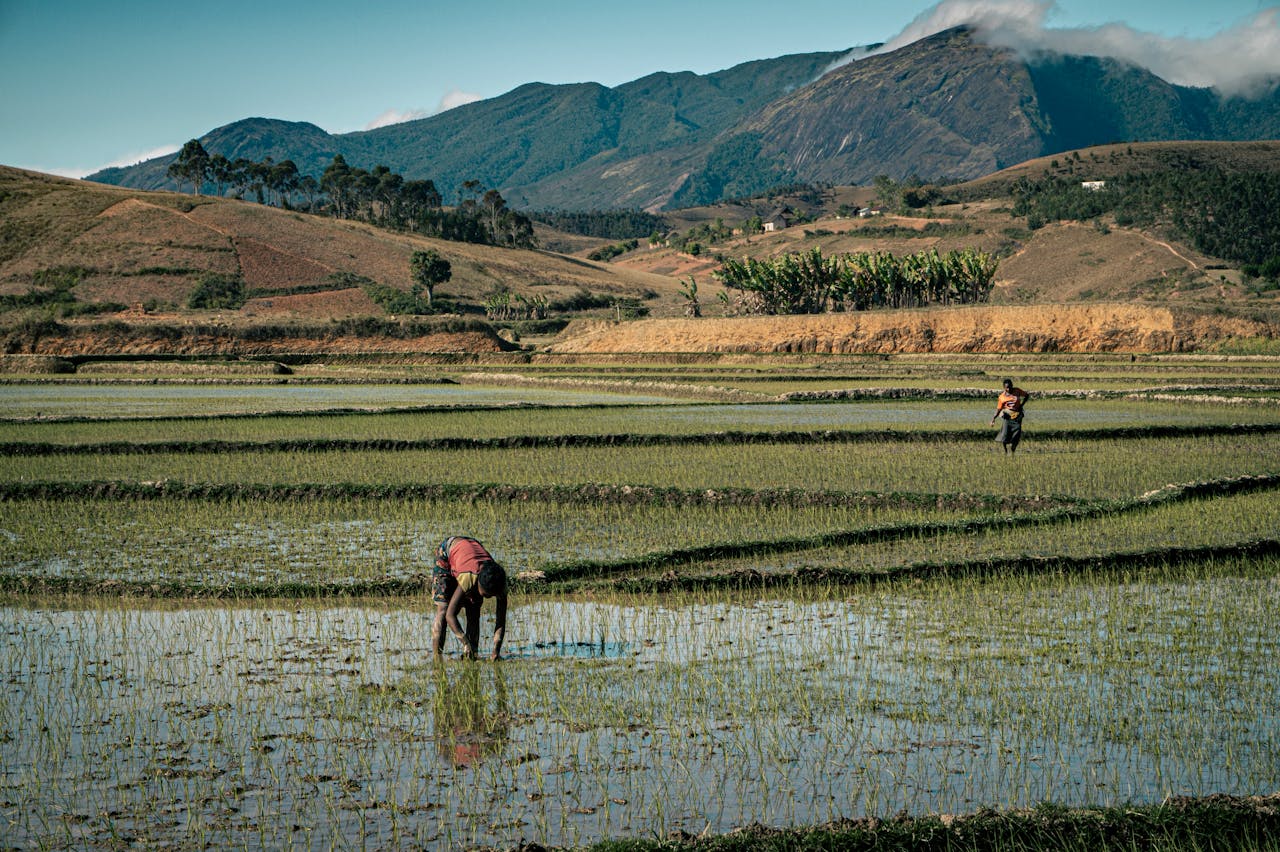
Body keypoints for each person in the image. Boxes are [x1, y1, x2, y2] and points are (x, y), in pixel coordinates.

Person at [431, 535, 508, 660]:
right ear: (477, 582)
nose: (488, 598)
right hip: (448, 551)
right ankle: (437, 658)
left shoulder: (500, 583)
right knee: (443, 609)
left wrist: (496, 651)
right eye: (485, 594)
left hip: (470, 550)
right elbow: (450, 615)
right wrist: (465, 642)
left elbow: (501, 620)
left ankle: (471, 655)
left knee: (474, 607)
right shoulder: (469, 577)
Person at [989, 378, 1030, 454]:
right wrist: (993, 419)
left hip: (1017, 416)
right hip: (1007, 416)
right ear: (1004, 388)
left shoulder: (1017, 391)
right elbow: (998, 409)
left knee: (1017, 433)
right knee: (1005, 434)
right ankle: (1005, 451)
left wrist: (1021, 405)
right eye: (1007, 387)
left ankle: (1013, 449)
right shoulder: (1002, 397)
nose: (1009, 389)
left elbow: (1027, 396)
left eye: (1010, 387)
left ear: (1012, 386)